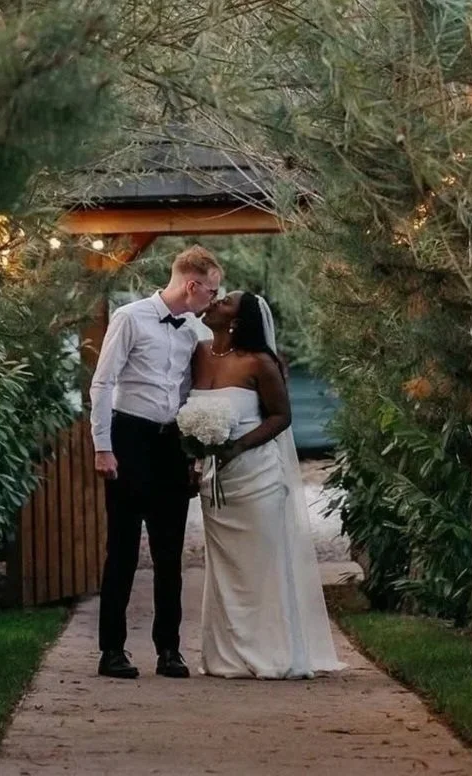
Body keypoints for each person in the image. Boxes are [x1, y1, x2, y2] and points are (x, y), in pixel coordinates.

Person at [192, 291, 346, 679]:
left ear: (238, 321)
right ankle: (225, 655)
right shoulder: (197, 352)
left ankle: (273, 653)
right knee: (225, 571)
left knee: (261, 567)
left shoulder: (260, 363)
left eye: (224, 302)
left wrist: (239, 446)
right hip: (215, 483)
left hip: (255, 477)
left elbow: (281, 416)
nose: (214, 303)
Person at [90, 244, 223, 679]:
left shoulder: (194, 332)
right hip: (129, 438)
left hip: (171, 445)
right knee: (123, 551)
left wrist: (193, 450)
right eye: (211, 292)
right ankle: (112, 651)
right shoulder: (129, 318)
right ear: (192, 285)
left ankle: (169, 650)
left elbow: (193, 390)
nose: (214, 301)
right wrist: (102, 446)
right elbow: (103, 383)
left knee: (170, 554)